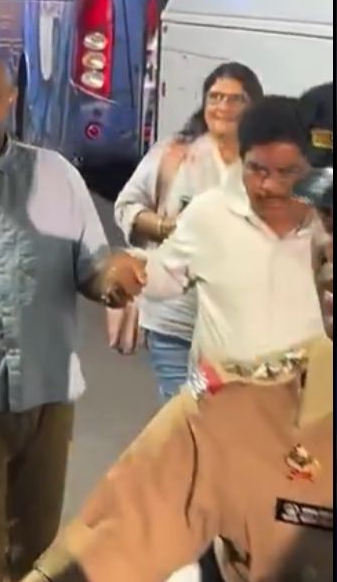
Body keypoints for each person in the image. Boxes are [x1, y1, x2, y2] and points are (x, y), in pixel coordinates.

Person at [24, 91, 334, 582]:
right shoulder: (225, 419)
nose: (327, 257)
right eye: (326, 221)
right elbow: (109, 547)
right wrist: (124, 273)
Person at [0, 51, 147, 581]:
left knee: (38, 554)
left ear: (10, 101)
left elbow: (92, 265)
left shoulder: (56, 175)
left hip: (47, 398)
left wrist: (114, 284)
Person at [114, 62, 263, 402]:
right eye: (215, 97)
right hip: (174, 321)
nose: (223, 107)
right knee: (187, 412)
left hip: (237, 330)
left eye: (236, 100)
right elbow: (125, 207)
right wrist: (169, 227)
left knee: (224, 421)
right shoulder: (175, 154)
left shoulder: (266, 165)